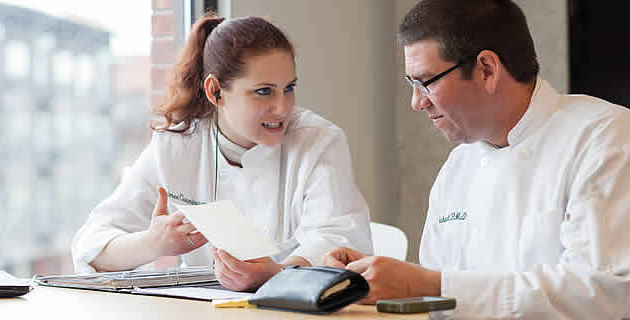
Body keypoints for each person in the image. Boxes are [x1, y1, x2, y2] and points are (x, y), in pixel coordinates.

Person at [325, 0, 630, 318]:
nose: (417, 102)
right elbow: (442, 294)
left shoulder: (605, 140)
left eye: (426, 82)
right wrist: (371, 281)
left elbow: (599, 295)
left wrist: (431, 285)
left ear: (487, 69)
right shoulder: (458, 167)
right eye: (411, 84)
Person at [71, 14, 373, 292]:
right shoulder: (176, 146)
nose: (283, 108)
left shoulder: (319, 142)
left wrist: (278, 273)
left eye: (289, 88)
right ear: (215, 91)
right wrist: (154, 243)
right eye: (264, 91)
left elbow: (339, 242)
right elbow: (91, 246)